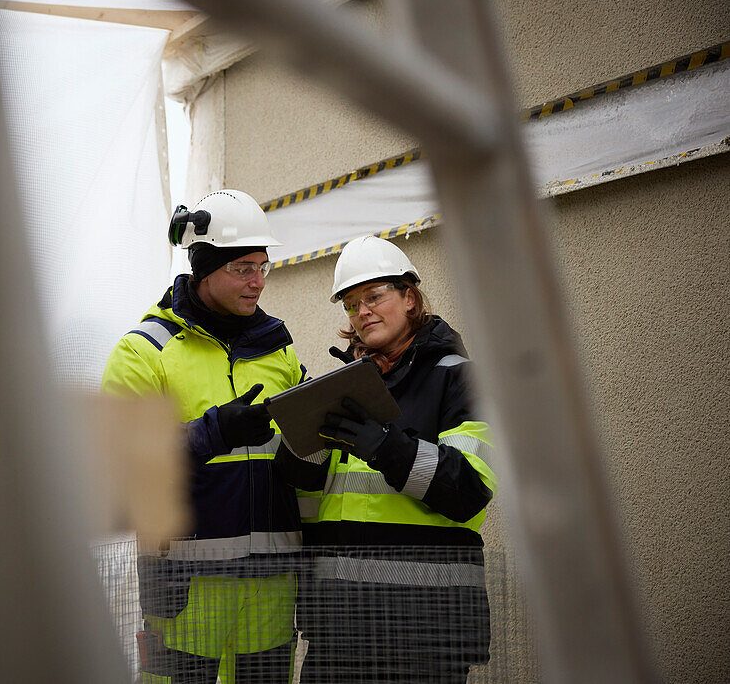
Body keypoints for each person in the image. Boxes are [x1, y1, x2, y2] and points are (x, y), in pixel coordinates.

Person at [101, 189, 306, 684]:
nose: (258, 281)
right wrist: (212, 432)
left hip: (269, 596)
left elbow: (300, 455)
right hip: (186, 594)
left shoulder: (278, 350)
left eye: (264, 266)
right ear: (203, 267)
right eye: (243, 268)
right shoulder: (144, 351)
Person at [280, 235, 498, 683]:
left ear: (410, 297)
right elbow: (306, 495)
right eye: (351, 303)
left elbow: (469, 491)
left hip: (425, 635)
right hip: (338, 632)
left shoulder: (461, 379)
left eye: (375, 296)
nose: (363, 312)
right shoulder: (343, 386)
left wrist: (385, 446)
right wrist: (301, 444)